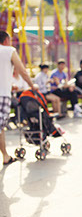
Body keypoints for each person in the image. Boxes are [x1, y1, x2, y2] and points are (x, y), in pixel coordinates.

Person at [0, 30, 37, 165]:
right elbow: (21, 70)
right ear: (6, 40)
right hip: (2, 95)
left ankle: (5, 155)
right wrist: (32, 85)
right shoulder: (9, 51)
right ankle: (5, 156)